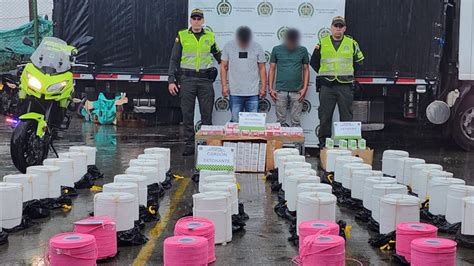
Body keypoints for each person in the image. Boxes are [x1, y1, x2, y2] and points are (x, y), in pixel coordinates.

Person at [168, 8, 221, 156]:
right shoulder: (182, 35)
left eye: (199, 19)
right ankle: (189, 145)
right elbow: (174, 59)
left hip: (205, 80)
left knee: (207, 114)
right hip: (187, 80)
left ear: (203, 21)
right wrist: (171, 80)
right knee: (187, 114)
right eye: (194, 18)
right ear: (190, 20)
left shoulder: (209, 36)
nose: (196, 21)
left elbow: (219, 57)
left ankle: (206, 144)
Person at [310, 16, 364, 147]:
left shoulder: (352, 43)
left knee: (346, 116)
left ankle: (347, 144)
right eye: (336, 26)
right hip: (327, 86)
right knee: (325, 116)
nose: (338, 29)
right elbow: (314, 62)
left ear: (344, 28)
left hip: (345, 86)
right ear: (331, 28)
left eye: (341, 27)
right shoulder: (322, 43)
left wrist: (349, 74)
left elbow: (359, 61)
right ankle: (323, 144)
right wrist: (325, 74)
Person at [220, 26, 267, 122]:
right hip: (235, 92)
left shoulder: (257, 47)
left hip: (253, 93)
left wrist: (263, 88)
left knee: (253, 124)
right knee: (235, 124)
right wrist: (224, 86)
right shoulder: (229, 46)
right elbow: (223, 67)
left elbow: (262, 68)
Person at [268, 28, 310, 127]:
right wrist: (270, 88)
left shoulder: (302, 50)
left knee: (296, 120)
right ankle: (279, 142)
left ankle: (298, 142)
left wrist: (305, 88)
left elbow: (306, 69)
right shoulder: (276, 49)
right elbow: (272, 68)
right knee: (280, 121)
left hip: (297, 91)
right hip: (280, 90)